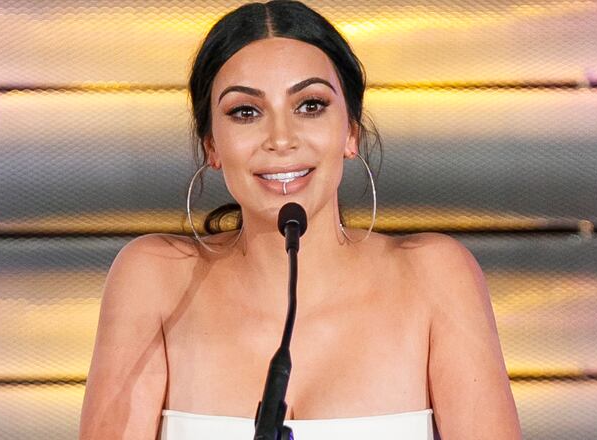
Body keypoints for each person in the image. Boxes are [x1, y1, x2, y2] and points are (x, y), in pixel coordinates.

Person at [79, 1, 522, 438]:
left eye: (310, 105)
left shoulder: (436, 275)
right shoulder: (154, 278)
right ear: (212, 145)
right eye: (246, 112)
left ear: (350, 132)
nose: (281, 139)